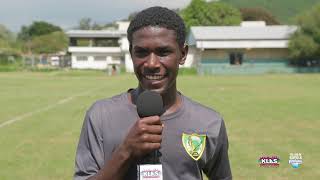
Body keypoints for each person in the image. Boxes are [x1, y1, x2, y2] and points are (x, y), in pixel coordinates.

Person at [74, 6, 232, 180]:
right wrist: (125, 152)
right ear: (131, 54)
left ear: (183, 54)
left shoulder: (209, 122)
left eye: (163, 52)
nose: (151, 63)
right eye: (141, 52)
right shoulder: (100, 116)